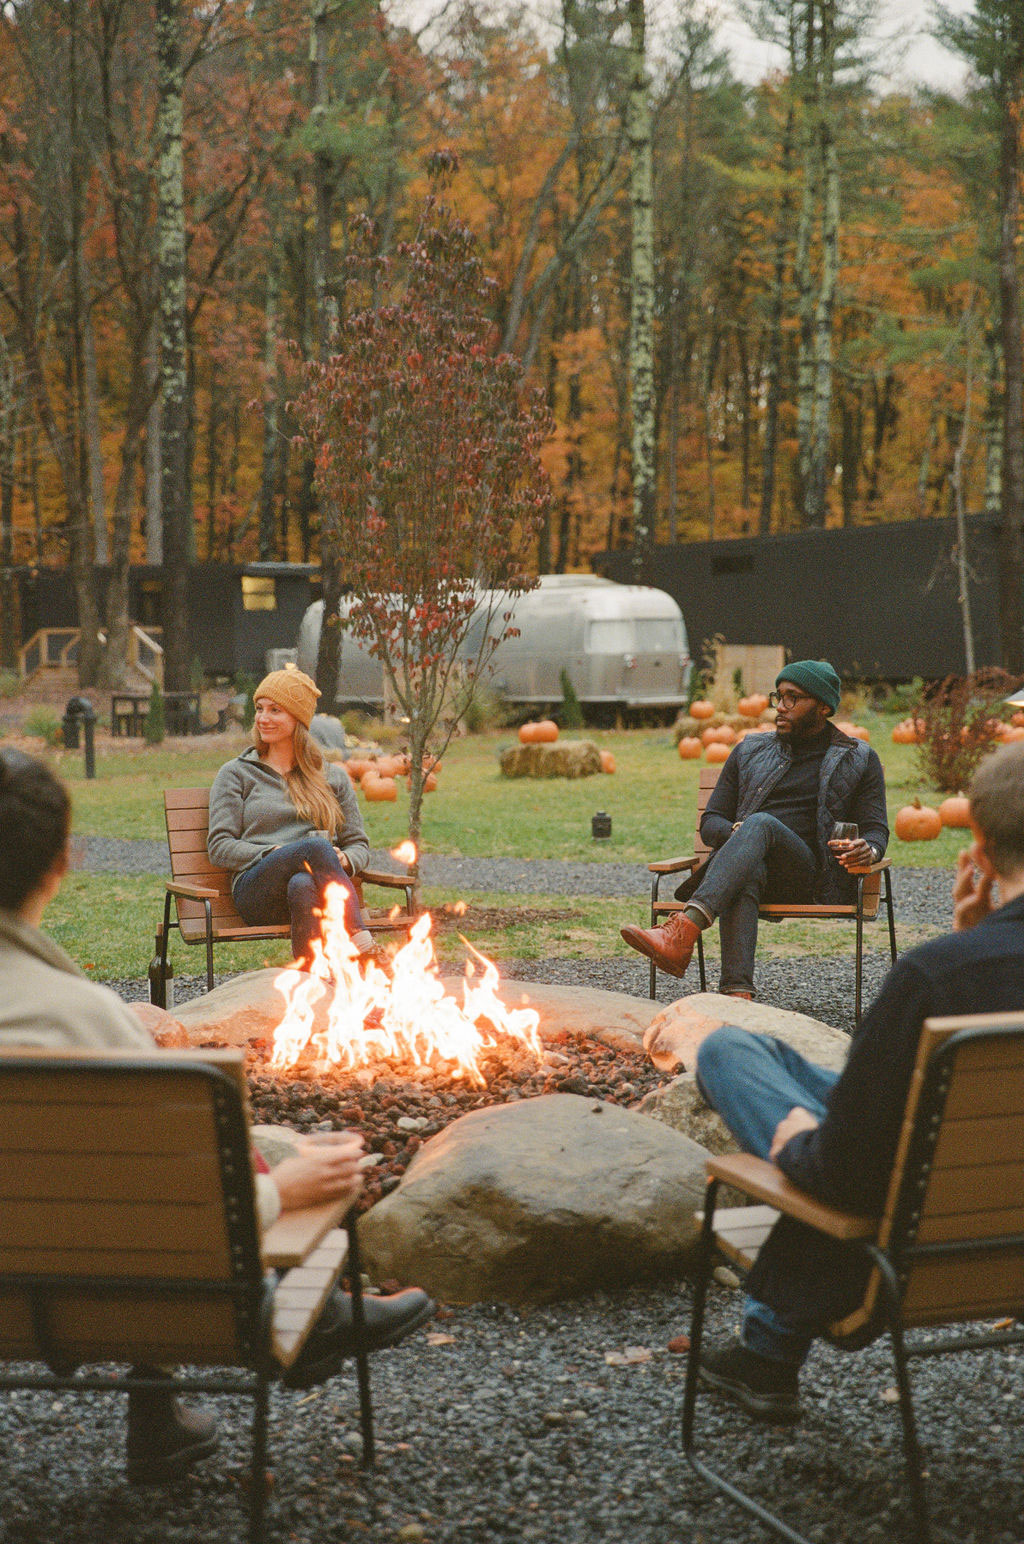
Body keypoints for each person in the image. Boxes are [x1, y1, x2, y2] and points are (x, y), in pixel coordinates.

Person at [0, 748, 433, 1484]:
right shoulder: (85, 1024)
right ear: (61, 865)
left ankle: (165, 1414)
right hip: (99, 1291)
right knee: (277, 1159)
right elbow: (178, 1209)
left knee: (227, 1149)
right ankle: (301, 1319)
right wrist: (280, 1191)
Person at [685, 739, 1024, 1423]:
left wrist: (794, 1139)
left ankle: (767, 1353)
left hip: (917, 1242)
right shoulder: (951, 974)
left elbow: (843, 1176)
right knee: (771, 1058)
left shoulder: (934, 979)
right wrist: (980, 939)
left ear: (981, 851)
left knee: (725, 1052)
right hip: (998, 1205)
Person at [620, 659, 889, 999]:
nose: (780, 706)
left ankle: (683, 931)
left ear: (823, 707)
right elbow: (711, 822)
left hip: (813, 878)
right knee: (748, 862)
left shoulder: (859, 758)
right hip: (750, 872)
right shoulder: (749, 750)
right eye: (778, 696)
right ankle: (737, 995)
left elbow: (876, 829)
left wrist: (870, 850)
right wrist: (740, 837)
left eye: (792, 698)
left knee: (761, 824)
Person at [207, 664, 381, 969]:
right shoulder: (236, 773)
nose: (263, 718)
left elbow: (359, 846)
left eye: (275, 710)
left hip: (313, 893)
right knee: (314, 847)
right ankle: (361, 941)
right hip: (258, 893)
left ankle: (310, 977)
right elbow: (220, 847)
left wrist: (344, 858)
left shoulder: (332, 777)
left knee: (302, 881)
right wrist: (273, 853)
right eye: (259, 708)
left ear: (298, 719)